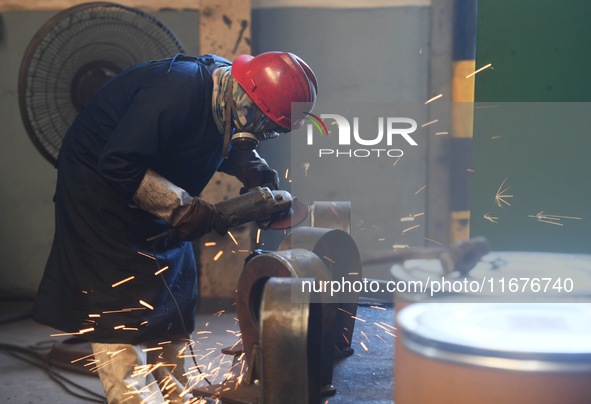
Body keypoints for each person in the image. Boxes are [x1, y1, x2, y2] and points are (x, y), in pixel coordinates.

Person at [33, 51, 318, 403]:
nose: (266, 134)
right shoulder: (176, 90)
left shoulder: (231, 94)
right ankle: (130, 396)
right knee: (119, 302)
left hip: (156, 181)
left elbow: (223, 134)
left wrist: (249, 164)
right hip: (100, 194)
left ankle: (178, 394)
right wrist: (184, 210)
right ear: (250, 103)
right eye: (267, 127)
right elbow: (119, 162)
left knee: (172, 290)